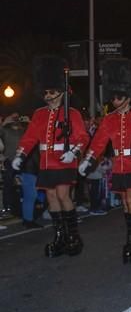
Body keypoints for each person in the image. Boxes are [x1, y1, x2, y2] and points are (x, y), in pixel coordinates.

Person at [79, 58, 131, 263]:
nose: (114, 101)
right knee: (124, 202)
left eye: (118, 97)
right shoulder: (108, 119)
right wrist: (87, 160)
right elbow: (98, 143)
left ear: (128, 96)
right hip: (119, 167)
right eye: (113, 97)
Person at [13, 55, 89, 257]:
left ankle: (73, 235)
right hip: (46, 162)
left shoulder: (72, 114)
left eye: (52, 92)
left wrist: (73, 153)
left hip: (64, 161)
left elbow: (83, 137)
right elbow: (30, 137)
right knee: (51, 197)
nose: (48, 96)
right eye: (45, 92)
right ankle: (59, 235)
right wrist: (20, 154)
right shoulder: (39, 114)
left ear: (61, 93)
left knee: (63, 196)